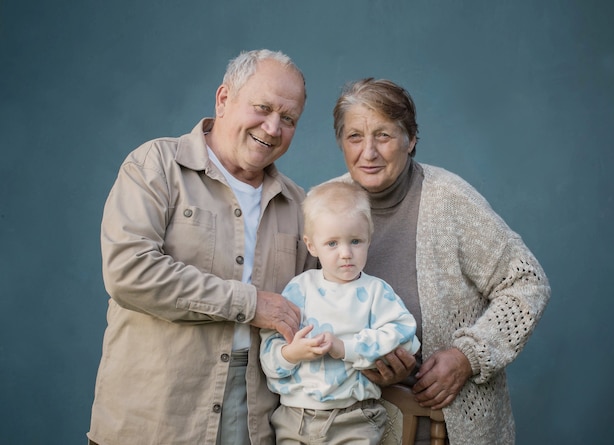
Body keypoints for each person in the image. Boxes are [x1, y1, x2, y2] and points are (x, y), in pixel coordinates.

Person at [87, 49, 317, 445]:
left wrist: (377, 347)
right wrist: (251, 304)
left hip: (254, 423)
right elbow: (129, 272)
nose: (273, 127)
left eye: (289, 119)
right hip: (154, 418)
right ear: (224, 99)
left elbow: (322, 300)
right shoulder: (155, 166)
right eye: (262, 108)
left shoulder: (300, 206)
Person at [330, 78, 551, 445]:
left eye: (383, 136)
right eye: (355, 137)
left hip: (448, 428)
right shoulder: (327, 205)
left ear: (411, 139)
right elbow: (306, 309)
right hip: (351, 427)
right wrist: (360, 364)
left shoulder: (449, 200)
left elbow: (527, 281)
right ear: (341, 142)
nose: (368, 152)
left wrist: (468, 355)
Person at [260, 181, 421, 445]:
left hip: (354, 418)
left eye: (355, 241)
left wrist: (344, 348)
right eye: (332, 243)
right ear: (312, 246)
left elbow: (404, 335)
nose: (346, 253)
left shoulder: (375, 292)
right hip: (295, 418)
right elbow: (269, 358)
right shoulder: (299, 290)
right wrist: (292, 353)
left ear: (369, 238)